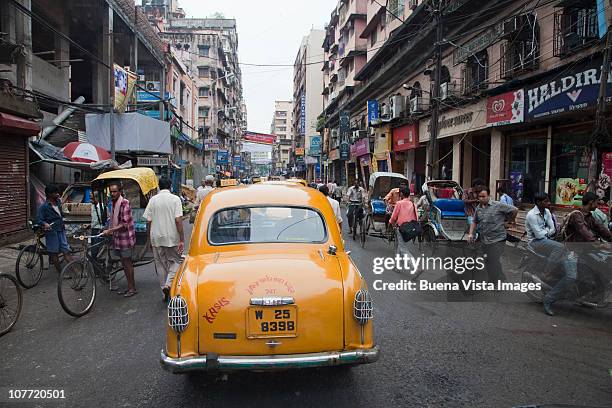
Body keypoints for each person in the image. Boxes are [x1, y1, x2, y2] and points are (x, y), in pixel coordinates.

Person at [525, 193, 577, 316]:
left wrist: (547, 232)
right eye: (545, 201)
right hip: (536, 242)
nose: (548, 203)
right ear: (538, 202)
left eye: (548, 200)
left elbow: (553, 228)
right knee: (560, 248)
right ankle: (547, 273)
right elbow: (539, 235)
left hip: (548, 240)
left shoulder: (547, 212)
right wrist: (548, 232)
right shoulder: (531, 215)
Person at [143, 177, 185, 302]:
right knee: (176, 261)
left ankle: (163, 290)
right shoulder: (175, 199)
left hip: (156, 237)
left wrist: (149, 238)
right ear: (170, 186)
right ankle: (168, 284)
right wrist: (182, 238)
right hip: (172, 237)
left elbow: (148, 221)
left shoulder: (153, 200)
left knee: (160, 264)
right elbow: (178, 220)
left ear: (159, 187)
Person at [467, 186, 518, 283]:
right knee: (489, 260)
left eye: (483, 196)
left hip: (498, 239)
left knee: (493, 260)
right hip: (485, 239)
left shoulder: (498, 205)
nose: (481, 199)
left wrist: (510, 221)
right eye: (479, 197)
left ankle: (496, 282)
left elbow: (515, 210)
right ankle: (500, 277)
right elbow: (474, 221)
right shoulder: (478, 208)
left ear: (489, 195)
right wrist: (470, 234)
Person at [102, 182, 137, 297]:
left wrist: (110, 230)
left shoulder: (124, 203)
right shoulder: (113, 202)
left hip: (125, 238)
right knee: (124, 263)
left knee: (127, 263)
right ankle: (130, 287)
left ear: (120, 192)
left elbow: (125, 223)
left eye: (114, 191)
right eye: (111, 192)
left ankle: (132, 288)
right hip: (117, 238)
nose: (112, 194)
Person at [36, 185, 73, 273]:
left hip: (61, 229)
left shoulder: (58, 203)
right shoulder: (44, 207)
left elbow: (62, 214)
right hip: (52, 232)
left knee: (66, 251)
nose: (58, 194)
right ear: (49, 194)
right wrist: (45, 223)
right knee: (54, 253)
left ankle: (75, 271)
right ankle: (60, 273)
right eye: (55, 193)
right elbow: (39, 219)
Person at [389, 187, 419, 271]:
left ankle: (414, 266)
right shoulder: (413, 204)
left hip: (401, 228)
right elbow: (416, 217)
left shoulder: (399, 203)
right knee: (398, 246)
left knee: (402, 248)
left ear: (402, 194)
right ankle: (396, 266)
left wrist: (390, 223)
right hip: (410, 228)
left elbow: (394, 217)